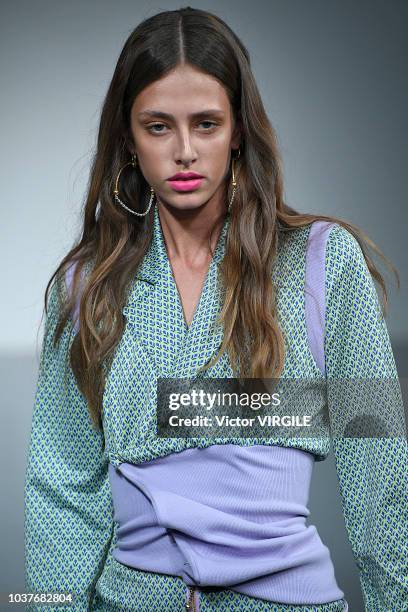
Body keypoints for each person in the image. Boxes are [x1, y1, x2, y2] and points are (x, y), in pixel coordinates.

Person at [24, 6, 407, 612]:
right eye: (157, 126)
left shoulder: (323, 262)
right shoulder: (85, 287)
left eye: (206, 124)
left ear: (238, 131)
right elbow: (61, 492)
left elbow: (378, 458)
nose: (183, 151)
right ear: (126, 135)